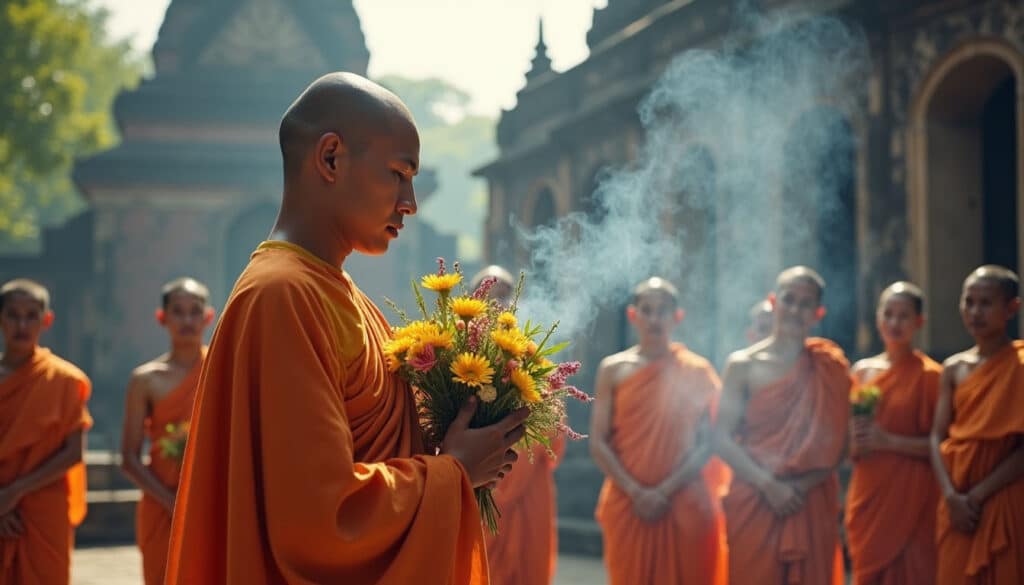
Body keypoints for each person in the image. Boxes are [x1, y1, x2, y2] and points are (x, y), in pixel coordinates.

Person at [166, 72, 527, 584]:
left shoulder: (339, 294)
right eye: (398, 173)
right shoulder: (283, 295)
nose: (410, 201)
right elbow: (319, 518)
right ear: (331, 158)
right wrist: (455, 473)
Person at [714, 266, 849, 585]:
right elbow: (720, 438)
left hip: (810, 497)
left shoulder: (830, 366)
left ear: (818, 313)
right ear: (773, 302)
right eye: (789, 300)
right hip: (755, 496)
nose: (795, 310)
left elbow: (840, 445)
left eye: (806, 304)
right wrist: (768, 485)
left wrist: (798, 488)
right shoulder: (743, 365)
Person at [591, 277, 727, 584]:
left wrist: (664, 491)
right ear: (632, 315)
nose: (655, 318)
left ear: (677, 316)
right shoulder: (613, 369)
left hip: (684, 501)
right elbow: (599, 442)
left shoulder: (697, 370)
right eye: (647, 309)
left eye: (663, 310)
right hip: (628, 502)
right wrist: (638, 492)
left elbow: (709, 443)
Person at [470, 266, 564, 585]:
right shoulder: (453, 361)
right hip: (474, 486)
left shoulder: (535, 364)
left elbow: (553, 432)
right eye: (489, 297)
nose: (498, 307)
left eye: (505, 298)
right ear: (472, 301)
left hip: (527, 492)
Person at [931, 265, 1023, 585]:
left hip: (1002, 498)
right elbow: (936, 436)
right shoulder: (954, 368)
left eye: (986, 303)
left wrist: (977, 496)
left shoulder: (1020, 365)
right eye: (968, 302)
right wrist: (951, 496)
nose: (975, 312)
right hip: (957, 503)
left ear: (1012, 308)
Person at [845, 281, 941, 585]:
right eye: (889, 314)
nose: (895, 323)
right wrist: (854, 441)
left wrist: (890, 441)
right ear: (877, 319)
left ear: (919, 322)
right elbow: (846, 439)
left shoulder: (931, 376)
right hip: (869, 490)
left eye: (904, 316)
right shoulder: (861, 371)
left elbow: (945, 445)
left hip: (914, 496)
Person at [120, 277, 213, 585]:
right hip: (161, 505)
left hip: (211, 499)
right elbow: (129, 458)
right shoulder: (145, 380)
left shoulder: (223, 366)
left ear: (208, 316)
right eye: (178, 311)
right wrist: (171, 502)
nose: (187, 320)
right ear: (163, 318)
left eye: (194, 311)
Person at [0, 279, 92, 584]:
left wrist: (14, 493)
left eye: (31, 315)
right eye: (13, 315)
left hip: (42, 507)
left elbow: (73, 452)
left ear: (47, 320)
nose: (22, 324)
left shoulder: (64, 379)